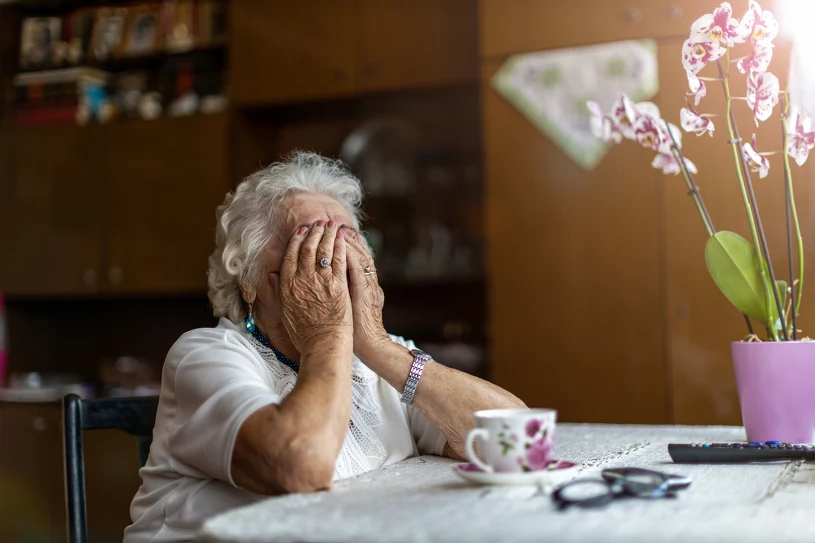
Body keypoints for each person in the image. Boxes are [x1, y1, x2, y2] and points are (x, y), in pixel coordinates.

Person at [123, 152, 526, 542]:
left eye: (347, 241)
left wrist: (378, 346)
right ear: (248, 279)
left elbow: (514, 440)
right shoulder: (205, 356)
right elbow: (300, 467)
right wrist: (327, 331)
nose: (335, 259)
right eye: (310, 243)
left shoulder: (376, 359)